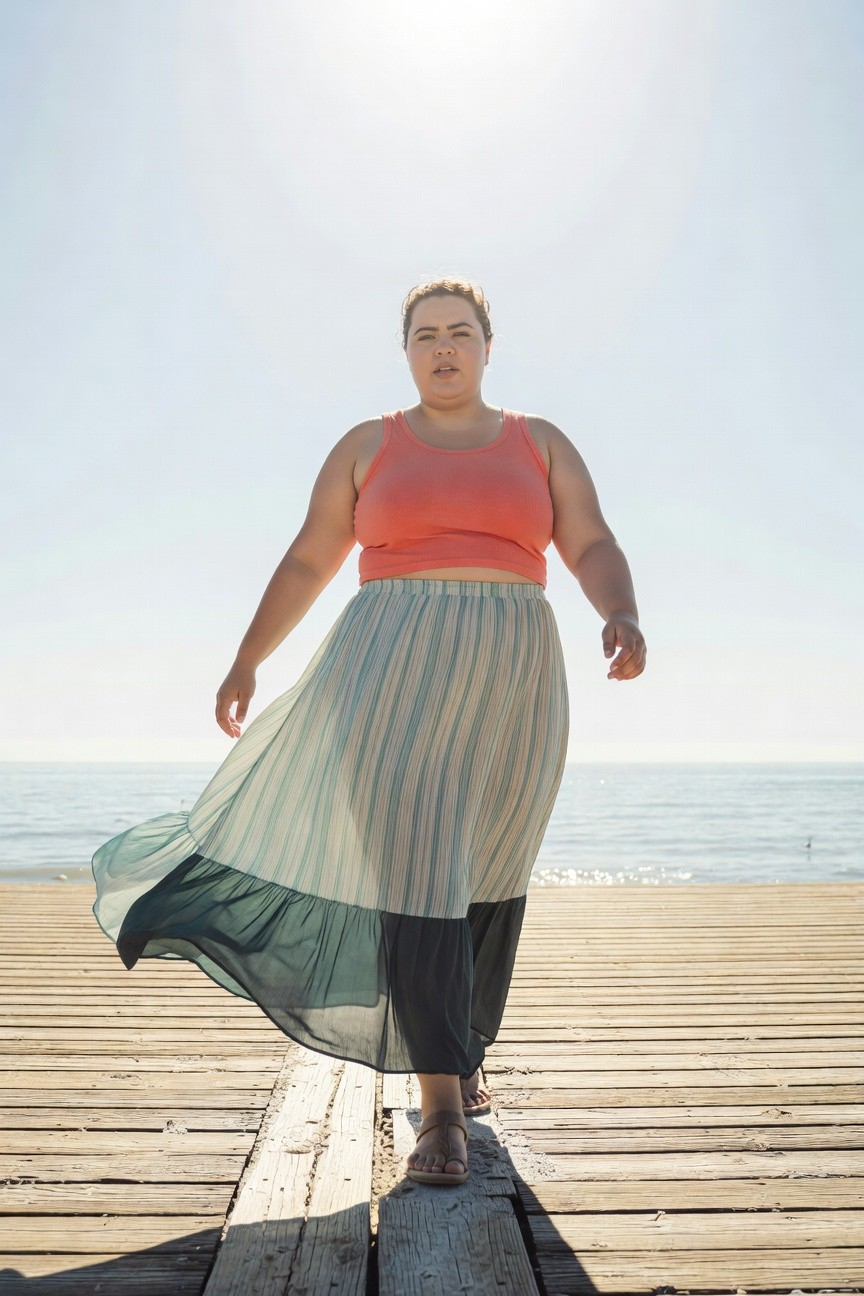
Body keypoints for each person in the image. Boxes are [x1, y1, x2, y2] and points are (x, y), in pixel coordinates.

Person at [91, 279, 646, 1187]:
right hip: (385, 676)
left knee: (488, 874)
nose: (443, 348)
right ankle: (438, 1113)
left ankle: (457, 1054)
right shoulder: (367, 445)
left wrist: (620, 611)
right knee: (419, 875)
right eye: (425, 335)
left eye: (460, 333)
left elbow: (588, 541)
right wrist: (246, 658)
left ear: (488, 346)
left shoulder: (539, 443)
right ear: (406, 351)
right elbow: (312, 556)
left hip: (513, 678)